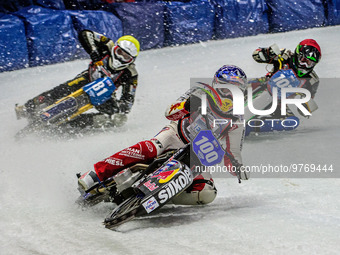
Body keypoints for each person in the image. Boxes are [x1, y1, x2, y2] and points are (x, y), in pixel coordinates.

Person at [78, 65, 249, 205]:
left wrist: (238, 168)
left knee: (207, 193)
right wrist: (185, 106)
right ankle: (96, 173)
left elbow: (233, 152)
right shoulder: (199, 92)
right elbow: (169, 112)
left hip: (198, 157)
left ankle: (162, 197)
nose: (229, 96)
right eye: (225, 89)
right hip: (175, 136)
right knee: (151, 148)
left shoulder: (237, 120)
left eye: (236, 91)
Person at [15, 30, 140, 128]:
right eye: (119, 53)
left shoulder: (131, 73)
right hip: (88, 77)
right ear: (115, 48)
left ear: (132, 60)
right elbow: (85, 33)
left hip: (105, 94)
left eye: (126, 57)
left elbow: (128, 100)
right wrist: (93, 51)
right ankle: (28, 107)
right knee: (61, 89)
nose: (120, 58)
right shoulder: (107, 44)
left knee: (117, 117)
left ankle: (83, 123)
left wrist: (121, 108)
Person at [246, 39, 322, 135]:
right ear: (297, 54)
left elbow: (304, 108)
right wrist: (268, 52)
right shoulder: (284, 55)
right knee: (240, 86)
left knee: (290, 122)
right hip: (264, 83)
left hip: (280, 103)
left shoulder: (312, 80)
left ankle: (250, 127)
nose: (305, 65)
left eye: (309, 63)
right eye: (303, 60)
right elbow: (256, 55)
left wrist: (306, 106)